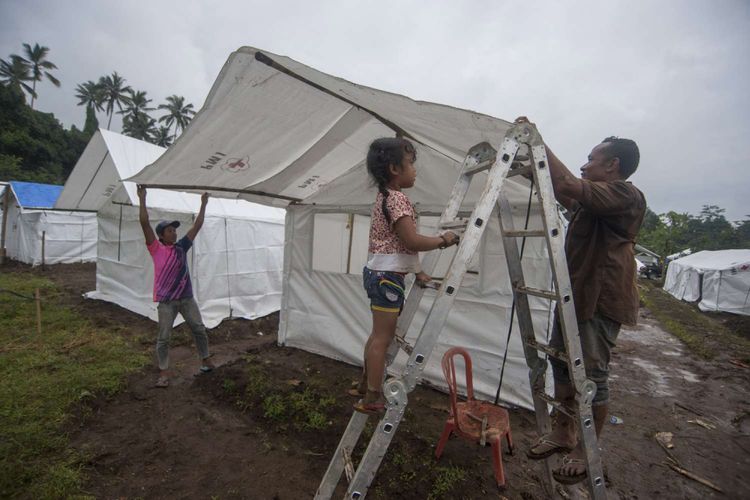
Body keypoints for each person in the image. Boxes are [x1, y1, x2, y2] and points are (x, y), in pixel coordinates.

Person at [515, 118, 646, 484]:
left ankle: (585, 450)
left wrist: (536, 143)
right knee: (560, 363)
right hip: (574, 295)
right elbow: (568, 195)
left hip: (599, 300)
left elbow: (570, 184)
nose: (585, 164)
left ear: (612, 165)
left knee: (592, 376)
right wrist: (534, 175)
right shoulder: (595, 203)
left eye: (591, 159)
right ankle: (563, 432)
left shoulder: (626, 195)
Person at [353, 137, 459, 414]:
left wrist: (419, 272)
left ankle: (365, 384)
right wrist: (443, 240)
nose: (415, 170)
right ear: (394, 169)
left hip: (377, 272)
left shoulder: (384, 198)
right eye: (411, 164)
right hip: (387, 278)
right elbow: (411, 241)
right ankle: (373, 396)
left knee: (376, 335)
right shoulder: (399, 200)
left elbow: (399, 245)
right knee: (382, 340)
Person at [137, 185, 215, 388]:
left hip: (186, 298)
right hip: (166, 302)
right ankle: (163, 372)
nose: (174, 233)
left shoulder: (182, 246)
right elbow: (144, 223)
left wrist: (203, 204)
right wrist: (142, 198)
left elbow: (197, 226)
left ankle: (206, 361)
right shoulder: (156, 248)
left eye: (174, 230)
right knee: (164, 337)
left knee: (198, 328)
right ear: (161, 235)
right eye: (170, 230)